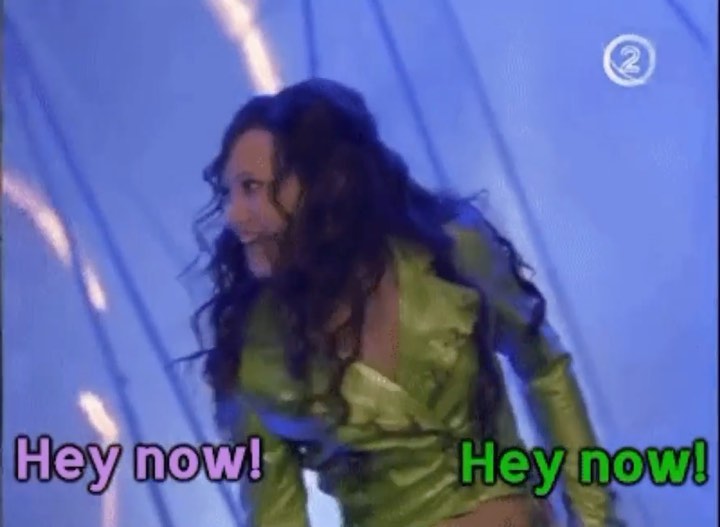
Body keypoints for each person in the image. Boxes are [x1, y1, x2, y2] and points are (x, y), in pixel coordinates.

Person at [190, 78, 623, 526]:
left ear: (329, 184)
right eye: (228, 193)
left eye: (252, 187)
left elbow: (546, 369)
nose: (233, 215)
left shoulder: (453, 253)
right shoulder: (253, 355)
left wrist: (595, 518)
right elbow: (274, 515)